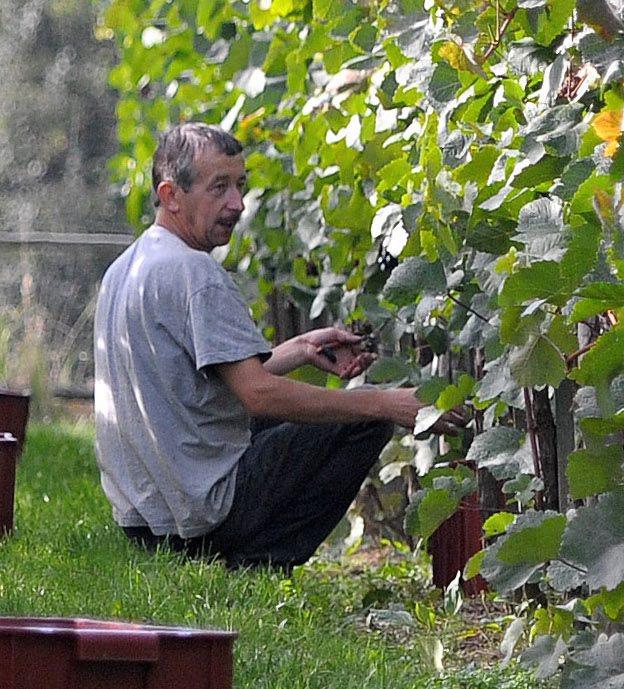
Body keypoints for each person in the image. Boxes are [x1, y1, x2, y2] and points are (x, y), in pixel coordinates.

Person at [92, 120, 426, 569]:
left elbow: (202, 381)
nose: (237, 204)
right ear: (171, 195)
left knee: (312, 415)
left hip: (146, 524)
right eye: (220, 188)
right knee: (363, 416)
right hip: (201, 520)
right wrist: (386, 403)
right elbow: (257, 395)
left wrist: (301, 347)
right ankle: (257, 561)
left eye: (240, 185)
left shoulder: (127, 268)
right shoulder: (196, 274)